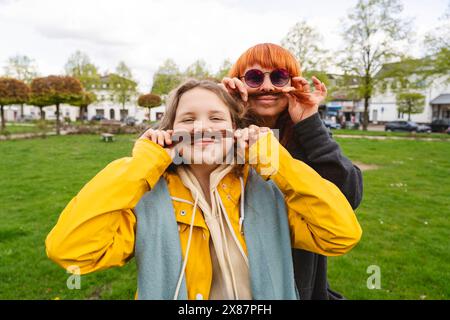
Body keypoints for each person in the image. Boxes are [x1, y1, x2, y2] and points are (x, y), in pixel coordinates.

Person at [46, 79, 361, 300]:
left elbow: (340, 235)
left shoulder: (268, 187)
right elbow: (71, 251)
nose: (201, 127)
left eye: (215, 117)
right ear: (168, 132)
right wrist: (143, 163)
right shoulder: (147, 198)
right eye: (187, 119)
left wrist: (277, 160)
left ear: (236, 130)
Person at [222, 43, 363, 300]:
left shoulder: (307, 136)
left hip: (302, 284)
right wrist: (223, 111)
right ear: (238, 82)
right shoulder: (224, 132)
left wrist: (309, 121)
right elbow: (175, 151)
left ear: (293, 84)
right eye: (254, 78)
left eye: (278, 77)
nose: (266, 86)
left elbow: (348, 198)